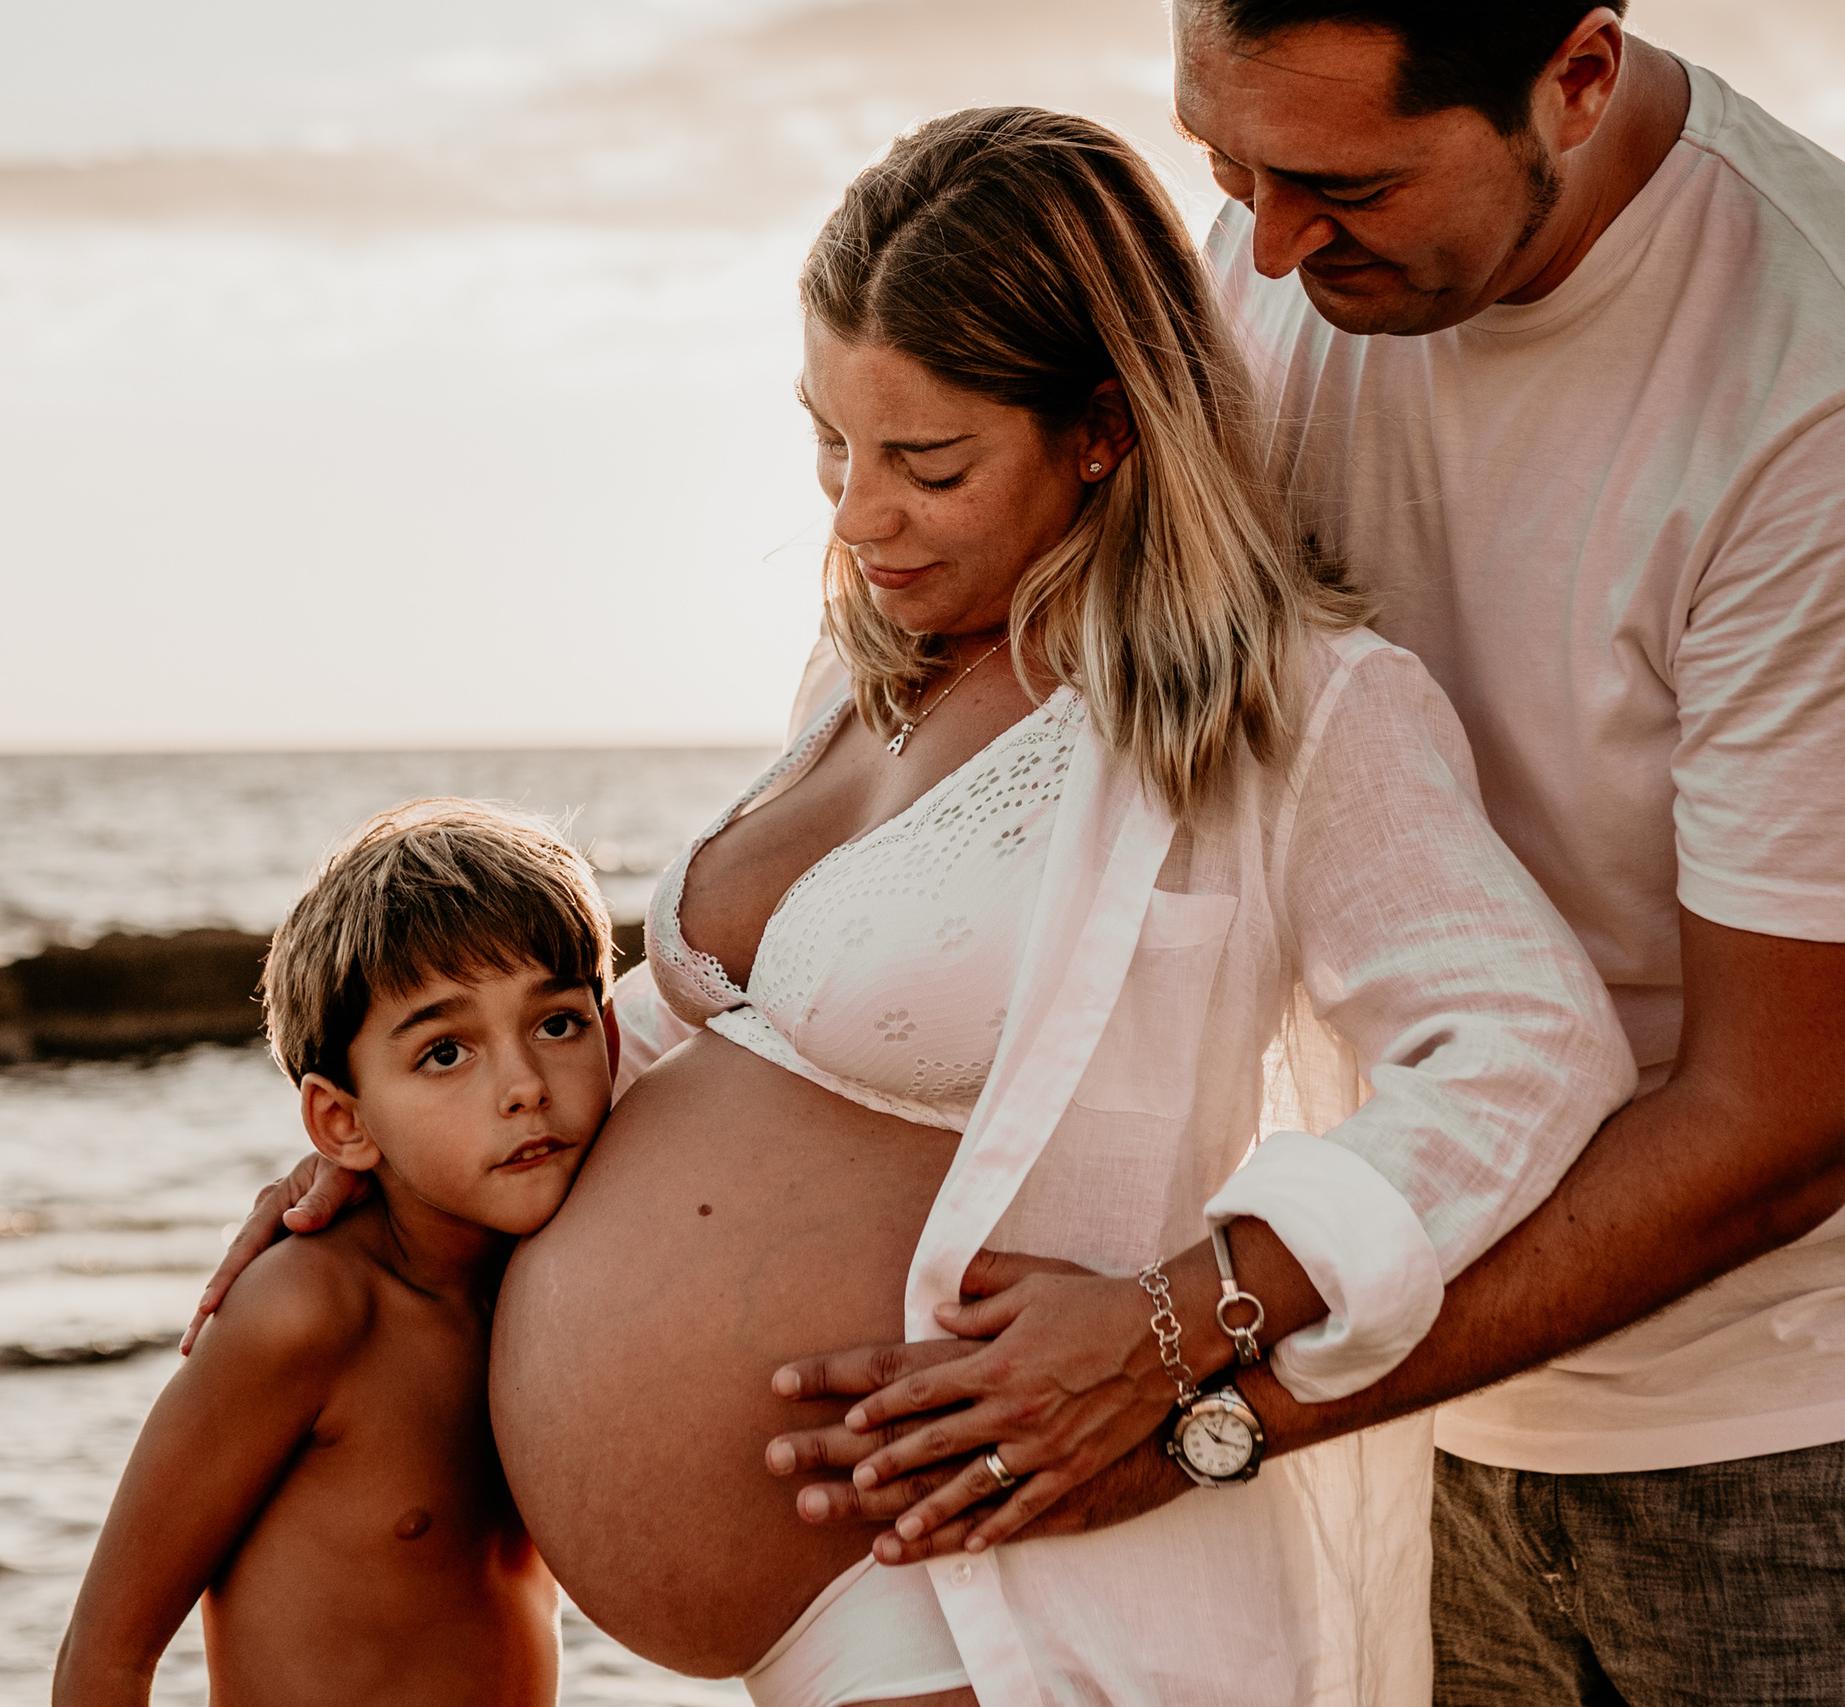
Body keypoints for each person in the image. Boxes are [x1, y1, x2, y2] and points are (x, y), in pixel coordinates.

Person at [199, 107, 1633, 1706]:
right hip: (829, 1634)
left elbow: (1528, 1048)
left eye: (927, 462)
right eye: (832, 442)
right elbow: (688, 1032)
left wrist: (1193, 1311)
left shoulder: (1283, 709)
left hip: (990, 1597)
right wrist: (386, 1165)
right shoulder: (860, 673)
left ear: (1101, 425)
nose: (855, 515)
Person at [780, 5, 1845, 1701]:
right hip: (1423, 1408)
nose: (1259, 242)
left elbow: (1778, 1124)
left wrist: (1197, 1374)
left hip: (1839, 1445)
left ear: (1578, 71)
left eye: (1340, 183)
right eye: (1224, 164)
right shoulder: (1279, 269)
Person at [53, 799, 619, 1707]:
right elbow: (104, 1653)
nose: (523, 1087)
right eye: (446, 1052)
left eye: (557, 1023)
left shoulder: (550, 1280)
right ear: (342, 1122)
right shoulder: (308, 1310)